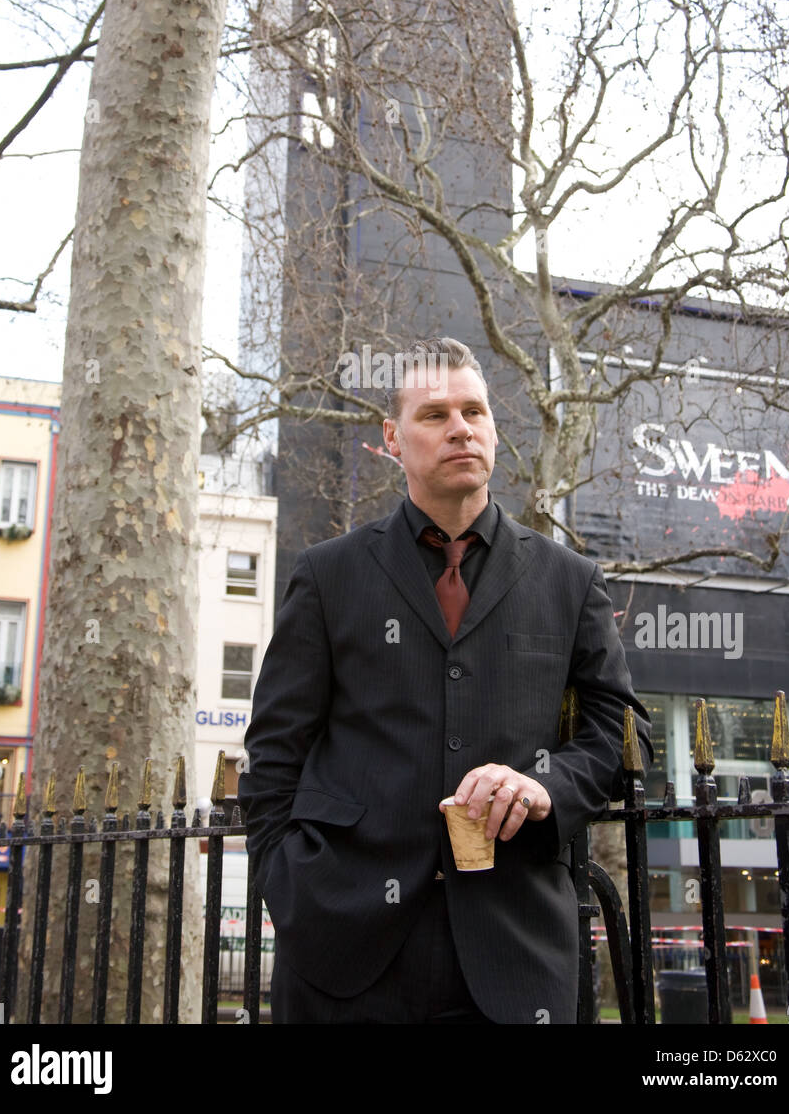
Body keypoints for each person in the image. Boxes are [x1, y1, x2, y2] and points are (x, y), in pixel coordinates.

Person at [238, 336, 651, 1024]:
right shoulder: (327, 575)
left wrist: (543, 788)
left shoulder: (570, 580)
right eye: (434, 415)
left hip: (513, 960)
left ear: (493, 429)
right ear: (391, 438)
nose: (460, 427)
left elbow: (623, 733)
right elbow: (274, 752)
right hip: (342, 953)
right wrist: (287, 886)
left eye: (474, 411)